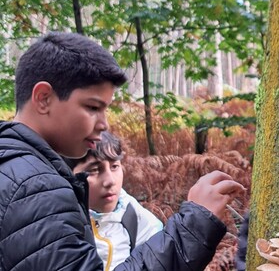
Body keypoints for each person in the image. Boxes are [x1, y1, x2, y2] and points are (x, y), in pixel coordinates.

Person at [0, 32, 245, 270]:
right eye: (93, 107)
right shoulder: (35, 187)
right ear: (43, 98)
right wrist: (193, 226)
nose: (104, 123)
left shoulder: (12, 167)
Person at [67, 131, 163, 271]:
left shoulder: (141, 222)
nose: (110, 181)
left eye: (115, 167)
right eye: (94, 170)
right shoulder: (54, 220)